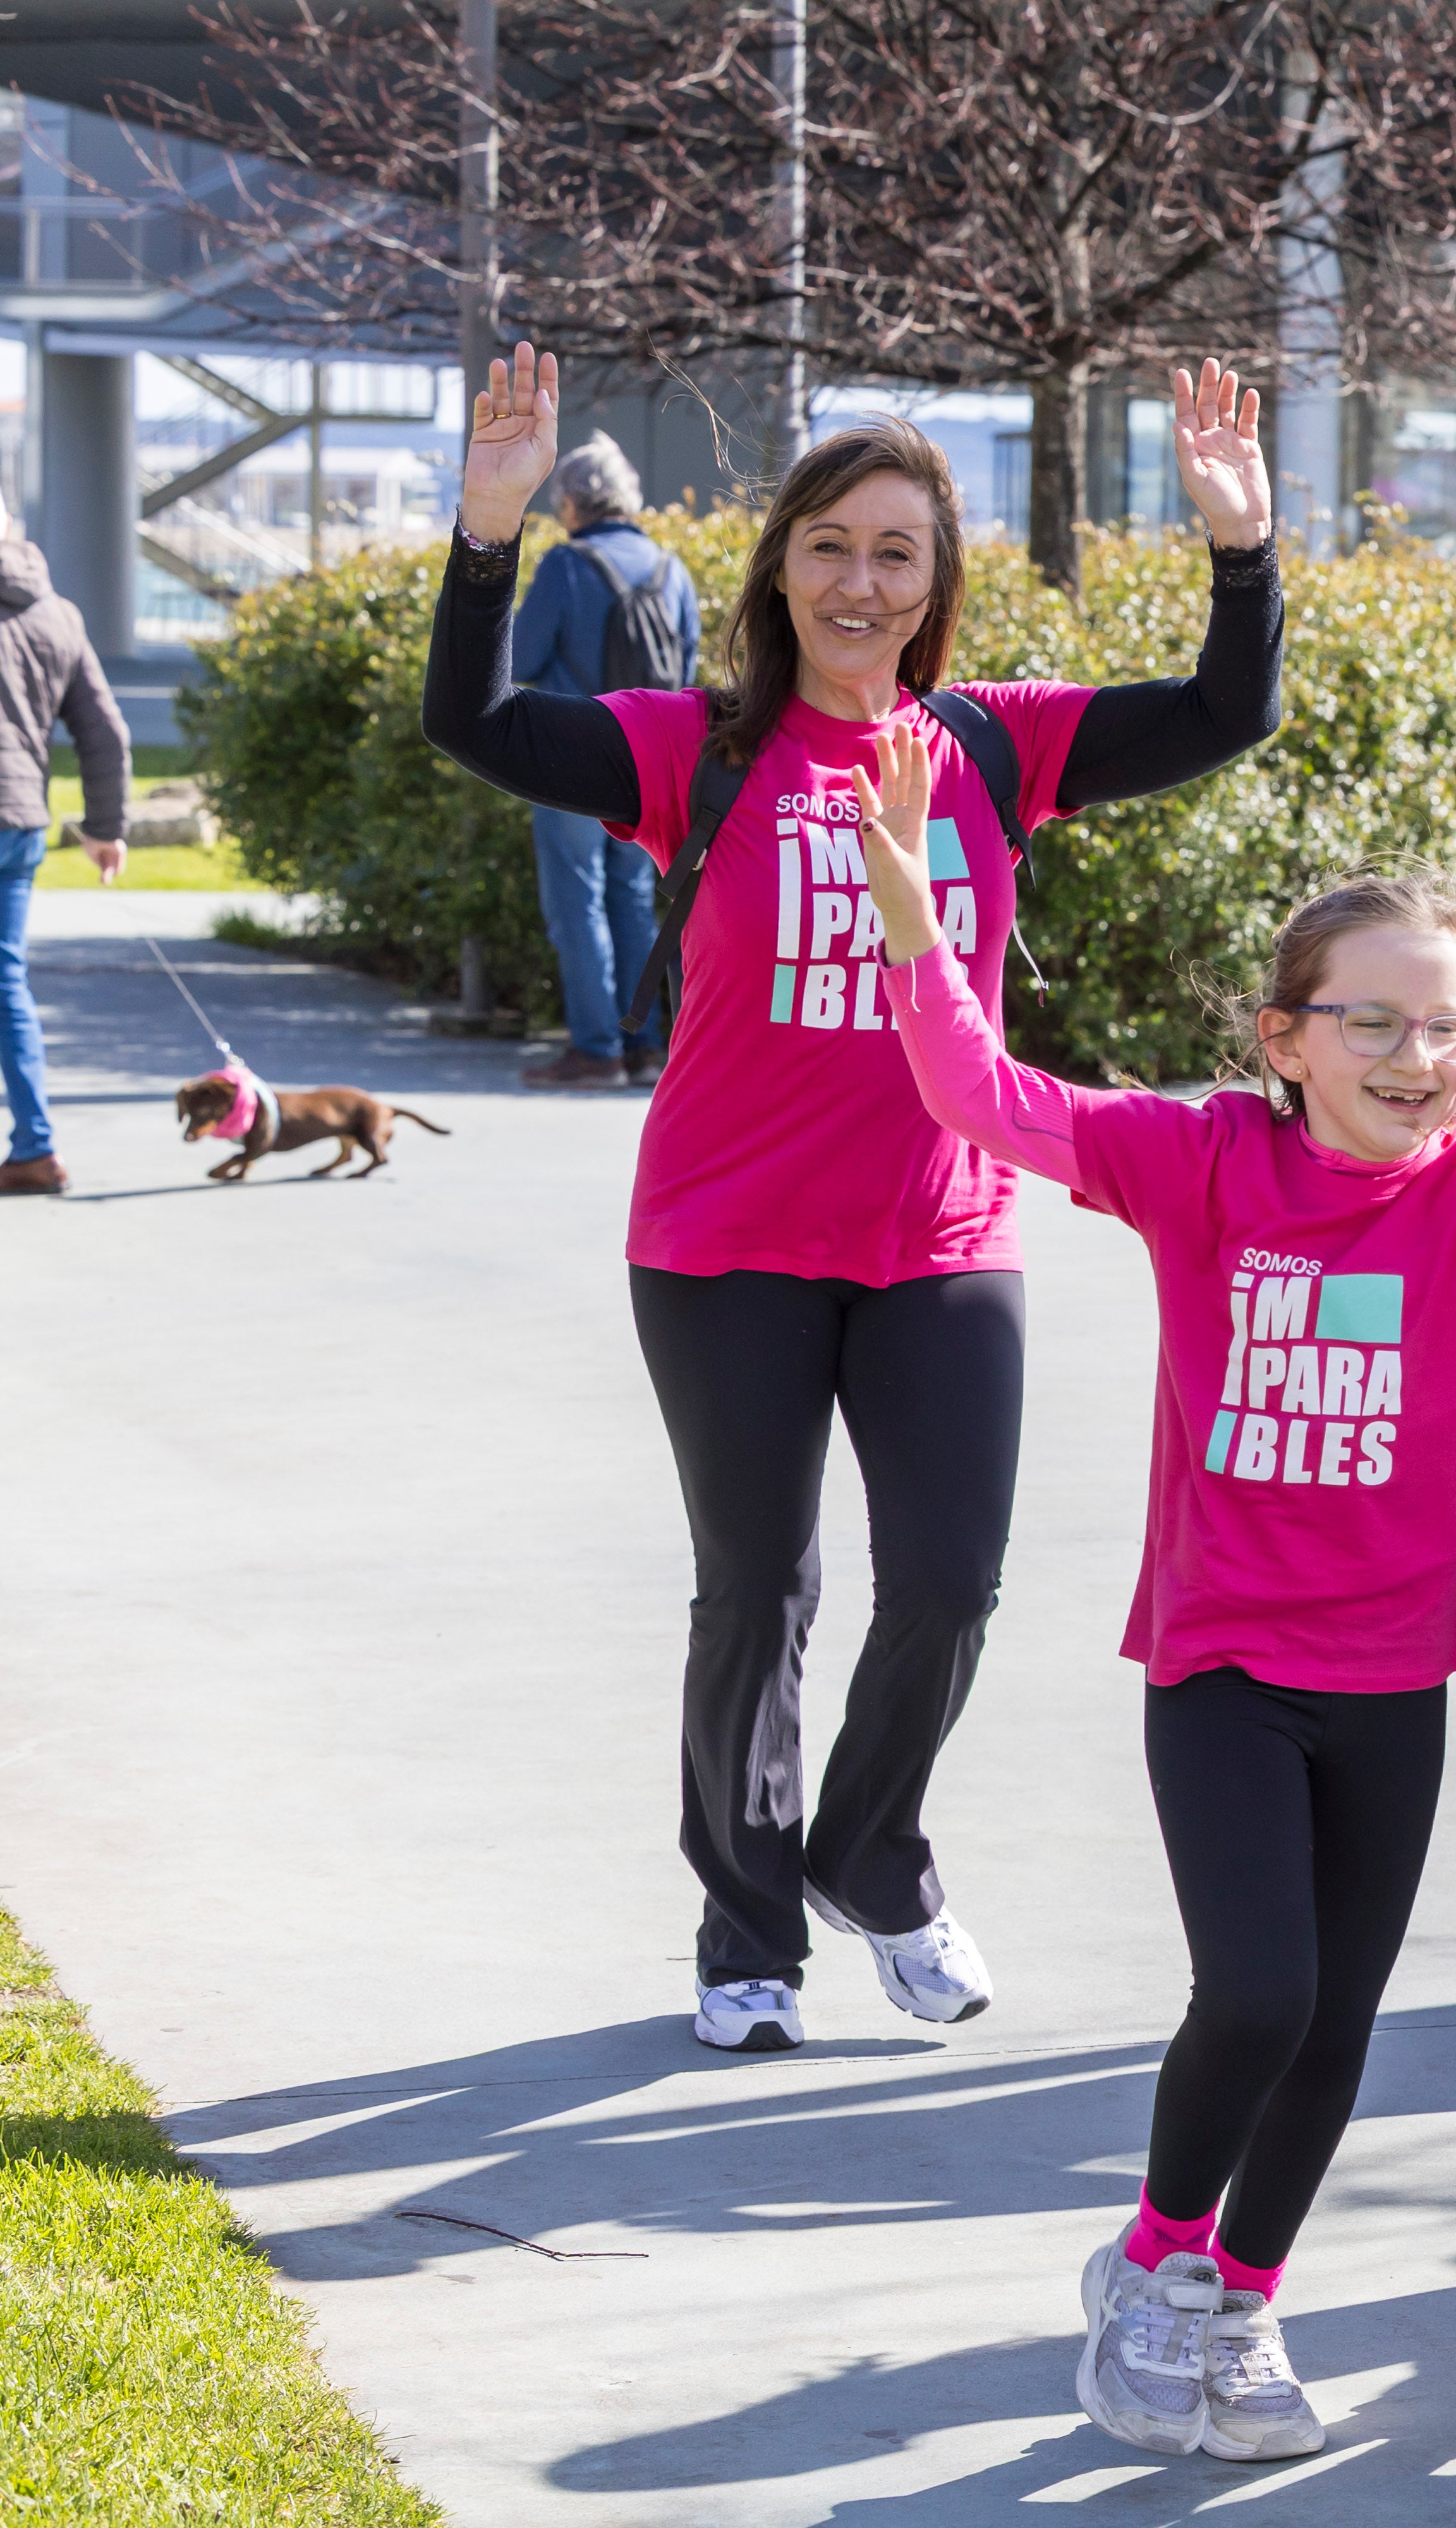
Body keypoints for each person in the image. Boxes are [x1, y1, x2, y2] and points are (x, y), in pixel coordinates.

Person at [858, 766, 1456, 2460]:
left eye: (1449, 1031)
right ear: (1283, 1037)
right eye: (1375, 1025)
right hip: (1226, 1666)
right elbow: (989, 1099)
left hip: (1395, 1674)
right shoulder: (1197, 1160)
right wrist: (913, 926)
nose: (1417, 1059)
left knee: (1339, 2023)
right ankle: (1157, 2265)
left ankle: (1245, 2299)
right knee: (1257, 1994)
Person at [421, 339, 1283, 2057]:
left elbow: (1223, 715)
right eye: (832, 546)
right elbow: (481, 722)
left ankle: (871, 1854)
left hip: (944, 1234)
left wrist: (1242, 552)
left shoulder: (990, 747)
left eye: (898, 553)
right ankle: (747, 1928)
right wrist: (487, 537)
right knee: (760, 1590)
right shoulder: (700, 751)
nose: (862, 582)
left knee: (952, 1580)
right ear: (781, 568)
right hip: (726, 1242)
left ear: (935, 585)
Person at [510, 430, 701, 1090]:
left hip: (574, 759)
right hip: (654, 761)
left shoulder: (566, 566)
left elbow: (522, 660)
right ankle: (643, 1044)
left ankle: (596, 1050)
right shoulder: (670, 568)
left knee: (577, 900)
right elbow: (689, 670)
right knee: (632, 896)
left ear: (571, 503)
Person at [0, 494, 133, 1198]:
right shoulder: (57, 613)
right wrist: (105, 828)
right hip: (18, 819)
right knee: (5, 984)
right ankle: (34, 1147)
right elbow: (105, 732)